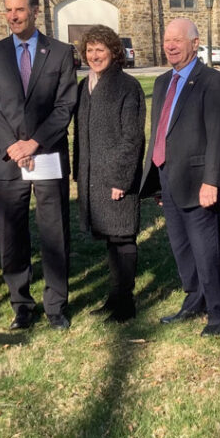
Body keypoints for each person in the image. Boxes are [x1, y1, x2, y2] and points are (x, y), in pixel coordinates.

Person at [0, 0, 77, 330]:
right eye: (7, 10)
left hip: (46, 154)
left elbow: (66, 105)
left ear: (35, 11)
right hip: (7, 159)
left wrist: (34, 141)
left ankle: (55, 304)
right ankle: (21, 303)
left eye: (19, 10)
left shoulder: (61, 52)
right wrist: (11, 145)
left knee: (54, 230)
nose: (13, 17)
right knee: (12, 233)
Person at [140, 18, 220, 337]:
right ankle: (195, 301)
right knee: (181, 247)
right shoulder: (163, 80)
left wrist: (213, 181)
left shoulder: (212, 82)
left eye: (178, 40)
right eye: (167, 40)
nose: (170, 46)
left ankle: (218, 313)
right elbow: (161, 131)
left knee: (206, 250)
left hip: (199, 182)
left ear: (195, 44)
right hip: (168, 176)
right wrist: (156, 176)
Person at [72, 25, 146, 322]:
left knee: (123, 238)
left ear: (114, 52)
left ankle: (126, 303)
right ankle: (114, 297)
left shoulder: (127, 87)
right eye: (89, 50)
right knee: (109, 240)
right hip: (93, 176)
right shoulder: (85, 85)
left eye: (100, 49)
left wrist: (121, 179)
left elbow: (133, 138)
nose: (94, 55)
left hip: (116, 178)